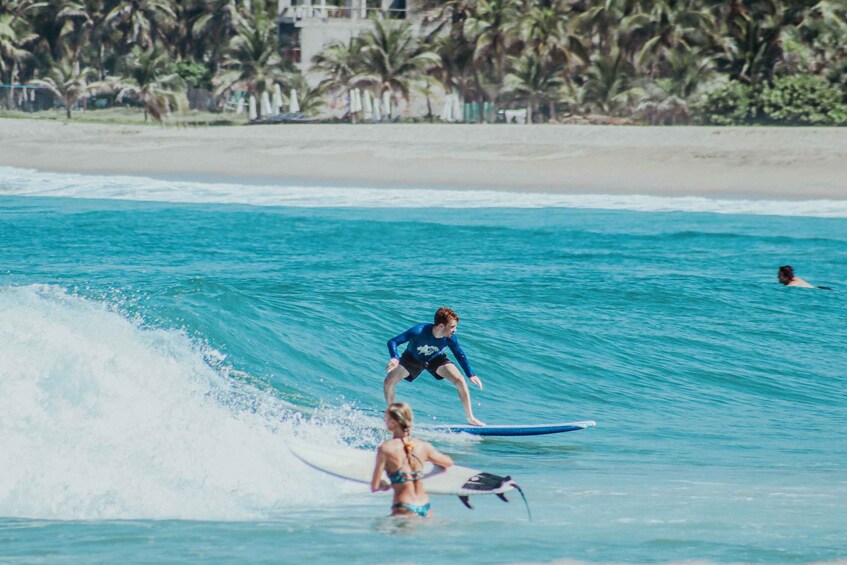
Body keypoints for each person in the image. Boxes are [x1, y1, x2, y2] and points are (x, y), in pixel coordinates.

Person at [384, 307, 485, 426]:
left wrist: (470, 374)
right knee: (388, 382)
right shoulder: (419, 331)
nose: (455, 330)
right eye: (452, 327)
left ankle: (470, 418)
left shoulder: (450, 338)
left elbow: (459, 354)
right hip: (412, 359)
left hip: (435, 358)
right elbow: (393, 342)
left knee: (460, 380)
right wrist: (395, 357)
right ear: (441, 326)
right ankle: (392, 416)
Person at [371, 402, 453, 518]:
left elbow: (375, 487)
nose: (384, 420)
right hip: (425, 506)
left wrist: (385, 484)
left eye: (386, 418)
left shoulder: (386, 449)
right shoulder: (424, 446)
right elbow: (448, 462)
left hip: (404, 507)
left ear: (394, 422)